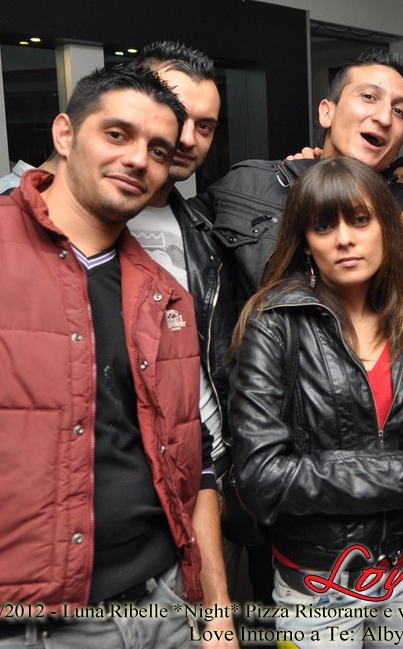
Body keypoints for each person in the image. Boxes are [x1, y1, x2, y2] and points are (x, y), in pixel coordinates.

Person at [0, 64, 217, 648]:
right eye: (117, 134)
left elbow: (194, 463)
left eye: (158, 149)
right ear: (64, 134)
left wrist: (214, 622)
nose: (138, 159)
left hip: (160, 609)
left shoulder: (166, 296)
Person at [228, 157, 403, 648]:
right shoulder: (274, 324)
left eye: (360, 220)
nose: (344, 239)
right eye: (323, 226)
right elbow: (261, 478)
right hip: (320, 582)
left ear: (385, 229)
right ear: (305, 242)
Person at [128, 41, 242, 633]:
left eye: (206, 125)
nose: (189, 137)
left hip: (206, 469)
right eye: (178, 115)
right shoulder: (70, 219)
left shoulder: (204, 226)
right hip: (124, 475)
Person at [199, 50, 403, 297]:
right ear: (327, 112)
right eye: (369, 97)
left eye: (399, 111)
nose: (385, 118)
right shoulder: (249, 184)